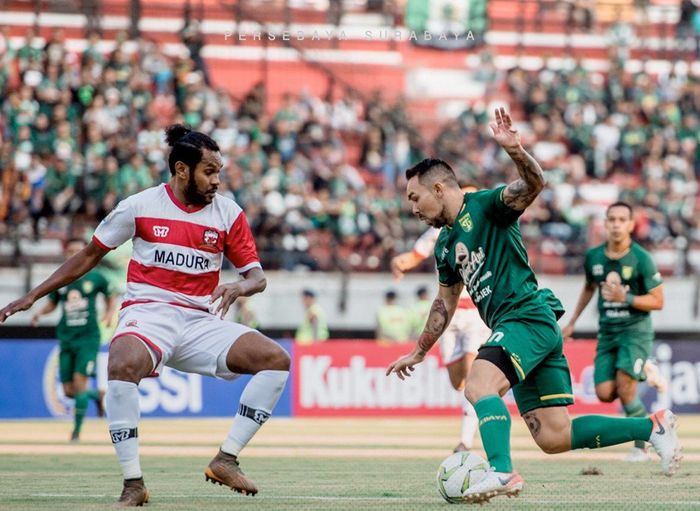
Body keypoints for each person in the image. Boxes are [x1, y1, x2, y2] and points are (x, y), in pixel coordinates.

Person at [386, 108, 681, 504]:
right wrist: (420, 350)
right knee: (554, 436)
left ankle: (501, 471)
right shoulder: (443, 245)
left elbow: (534, 183)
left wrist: (517, 151)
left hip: (526, 316)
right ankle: (652, 428)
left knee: (478, 384)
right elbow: (445, 302)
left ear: (439, 189)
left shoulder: (487, 206)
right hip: (523, 327)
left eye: (415, 197)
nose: (413, 208)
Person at [1, 125, 291, 506]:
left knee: (276, 361)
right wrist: (33, 295)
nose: (217, 181)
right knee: (121, 364)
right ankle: (133, 484)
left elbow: (257, 277)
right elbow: (89, 256)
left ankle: (226, 459)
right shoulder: (138, 206)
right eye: (209, 171)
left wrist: (241, 286)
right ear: (181, 170)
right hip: (149, 314)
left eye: (219, 172)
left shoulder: (228, 213)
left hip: (201, 321)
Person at [563, 201, 667, 462]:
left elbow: (658, 300)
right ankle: (646, 369)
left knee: (626, 388)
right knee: (605, 393)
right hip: (607, 332)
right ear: (605, 224)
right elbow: (589, 287)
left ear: (631, 225)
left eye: (622, 220)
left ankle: (641, 447)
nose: (617, 224)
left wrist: (627, 298)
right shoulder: (594, 257)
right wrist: (573, 320)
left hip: (635, 332)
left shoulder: (641, 259)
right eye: (612, 219)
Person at [391, 183, 491, 452]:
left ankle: (465, 441)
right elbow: (416, 254)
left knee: (472, 378)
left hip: (476, 315)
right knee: (457, 382)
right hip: (449, 316)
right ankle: (482, 403)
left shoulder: (485, 228)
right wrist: (402, 263)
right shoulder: (440, 231)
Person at [31, 237, 118, 442]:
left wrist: (108, 313)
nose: (74, 254)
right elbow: (53, 302)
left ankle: (76, 432)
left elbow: (110, 296)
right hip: (66, 337)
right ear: (66, 253)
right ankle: (97, 396)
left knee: (80, 384)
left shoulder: (96, 277)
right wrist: (40, 313)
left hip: (88, 337)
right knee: (69, 391)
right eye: (70, 251)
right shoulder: (61, 279)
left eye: (78, 251)